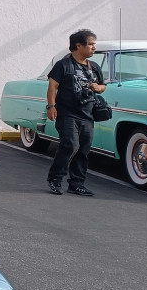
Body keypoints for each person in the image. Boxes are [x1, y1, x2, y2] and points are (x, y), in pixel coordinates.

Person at [45, 29, 106, 197]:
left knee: (83, 150)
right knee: (70, 145)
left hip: (87, 115)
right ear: (78, 46)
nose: (94, 47)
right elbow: (52, 87)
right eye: (91, 44)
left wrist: (97, 87)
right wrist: (51, 106)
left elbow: (103, 86)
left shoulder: (94, 67)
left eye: (94, 44)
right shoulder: (63, 65)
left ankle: (77, 184)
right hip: (67, 113)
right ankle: (55, 179)